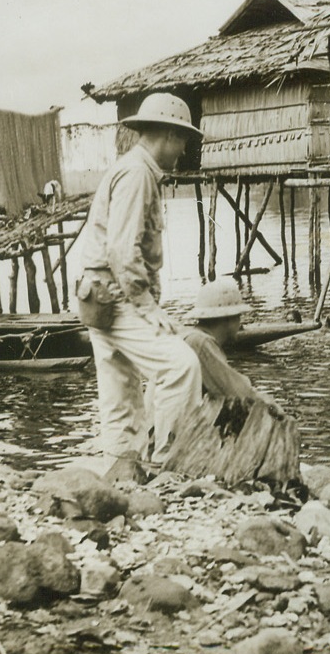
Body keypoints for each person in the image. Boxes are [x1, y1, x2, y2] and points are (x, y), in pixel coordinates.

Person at [75, 92, 204, 463]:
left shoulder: (130, 167)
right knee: (181, 367)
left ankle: (122, 472)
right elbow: (120, 249)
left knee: (121, 392)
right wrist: (148, 306)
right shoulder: (138, 174)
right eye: (181, 141)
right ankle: (170, 460)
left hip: (95, 296)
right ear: (168, 135)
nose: (182, 151)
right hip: (115, 297)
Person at [182, 277, 278, 405]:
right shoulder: (200, 343)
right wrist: (270, 403)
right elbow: (235, 389)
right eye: (238, 317)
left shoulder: (190, 336)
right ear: (228, 319)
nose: (240, 324)